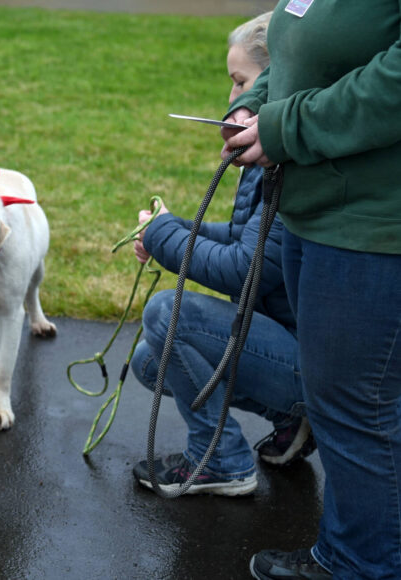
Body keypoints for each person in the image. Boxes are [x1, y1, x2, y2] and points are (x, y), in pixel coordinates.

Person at [219, 2, 401, 578]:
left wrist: (284, 127)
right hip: (316, 214)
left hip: (370, 228)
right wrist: (258, 101)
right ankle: (352, 554)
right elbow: (297, 55)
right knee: (344, 406)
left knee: (360, 410)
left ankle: (363, 565)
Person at [129, 12, 315, 497]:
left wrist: (166, 237)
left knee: (167, 314)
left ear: (280, 77)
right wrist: (166, 231)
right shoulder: (268, 156)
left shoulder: (291, 164)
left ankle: (222, 461)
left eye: (242, 82)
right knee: (152, 361)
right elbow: (243, 238)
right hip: (289, 345)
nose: (234, 97)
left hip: (314, 365)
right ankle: (290, 419)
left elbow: (243, 268)